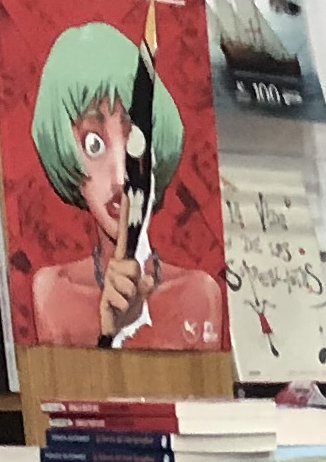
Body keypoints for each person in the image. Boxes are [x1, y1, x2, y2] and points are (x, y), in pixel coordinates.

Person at [18, 23, 227, 350]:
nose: (120, 177)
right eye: (93, 145)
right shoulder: (53, 293)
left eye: (135, 141)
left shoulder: (198, 294)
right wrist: (109, 333)